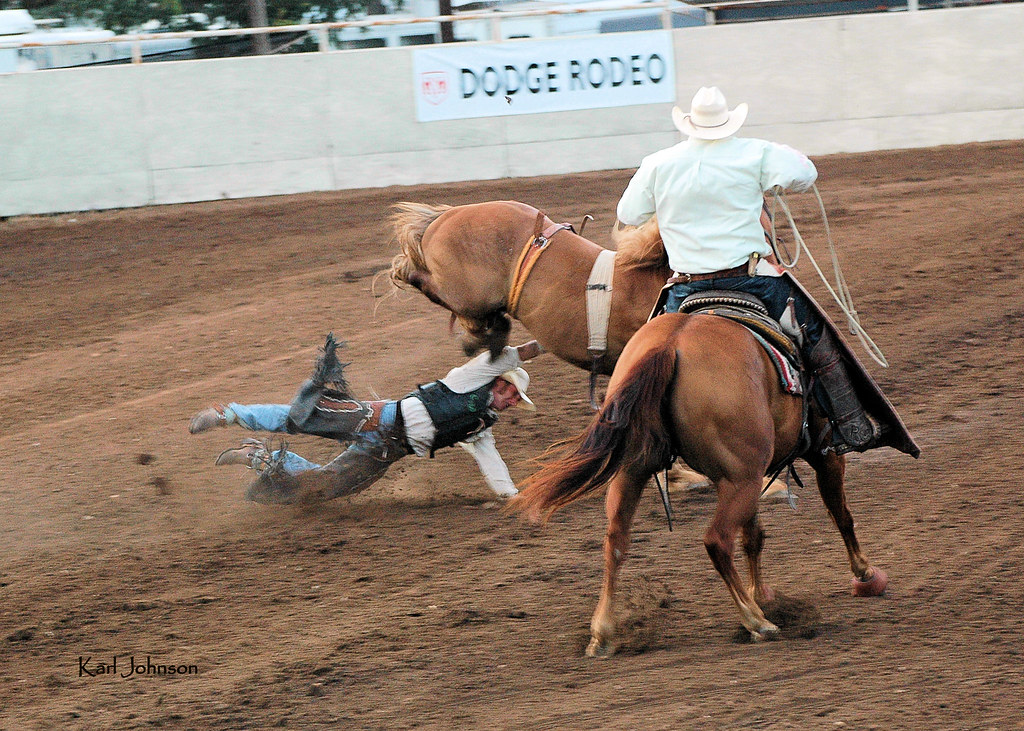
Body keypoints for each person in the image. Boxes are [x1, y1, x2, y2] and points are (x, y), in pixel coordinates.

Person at [616, 86, 917, 457]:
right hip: (752, 282)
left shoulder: (659, 162)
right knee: (814, 333)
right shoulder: (754, 151)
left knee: (650, 348)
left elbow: (629, 214)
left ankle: (634, 435)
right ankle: (852, 422)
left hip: (684, 290)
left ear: (689, 125)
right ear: (728, 122)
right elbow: (805, 173)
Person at [189, 335, 544, 504]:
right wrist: (553, 337)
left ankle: (255, 456)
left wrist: (511, 495)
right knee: (300, 418)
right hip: (377, 420)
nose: (513, 402)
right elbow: (513, 355)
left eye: (516, 400)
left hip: (386, 452)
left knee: (321, 487)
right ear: (500, 382)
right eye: (513, 394)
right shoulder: (470, 378)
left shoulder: (481, 426)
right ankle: (228, 414)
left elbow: (491, 462)